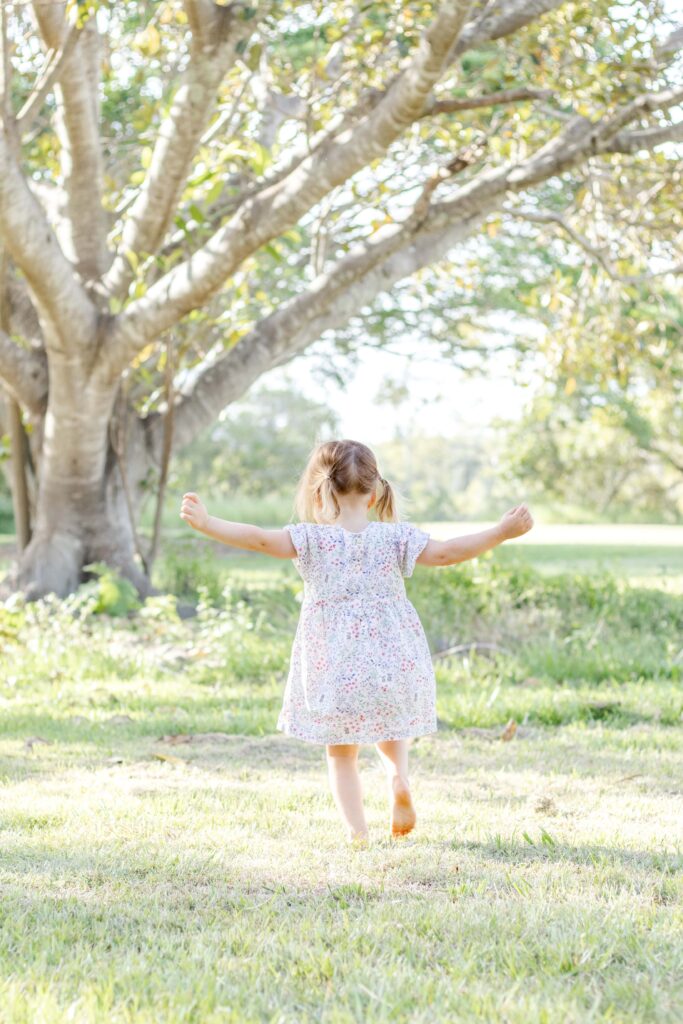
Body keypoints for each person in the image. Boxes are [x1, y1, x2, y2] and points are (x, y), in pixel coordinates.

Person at [180, 438, 533, 845]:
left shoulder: (311, 539)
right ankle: (398, 776)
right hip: (391, 658)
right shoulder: (395, 538)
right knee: (391, 724)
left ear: (321, 490)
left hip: (335, 663)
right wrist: (501, 531)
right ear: (375, 491)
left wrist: (208, 523)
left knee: (341, 754)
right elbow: (448, 553)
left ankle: (358, 833)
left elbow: (258, 539)